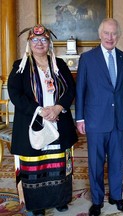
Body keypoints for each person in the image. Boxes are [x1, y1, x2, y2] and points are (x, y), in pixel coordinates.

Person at [8, 24, 78, 216]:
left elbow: (70, 89)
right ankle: (37, 203)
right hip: (33, 122)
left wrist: (58, 107)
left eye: (43, 40)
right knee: (36, 164)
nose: (39, 43)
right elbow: (15, 94)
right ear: (29, 43)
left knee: (59, 163)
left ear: (49, 43)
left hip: (58, 120)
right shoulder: (20, 66)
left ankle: (60, 199)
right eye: (35, 40)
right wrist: (38, 110)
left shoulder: (59, 64)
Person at [75, 18, 123, 216]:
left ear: (118, 36)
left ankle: (116, 196)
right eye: (106, 33)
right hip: (95, 119)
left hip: (118, 120)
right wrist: (79, 118)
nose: (110, 37)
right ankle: (97, 200)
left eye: (114, 33)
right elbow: (80, 89)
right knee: (96, 162)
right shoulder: (87, 58)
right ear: (100, 35)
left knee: (117, 161)